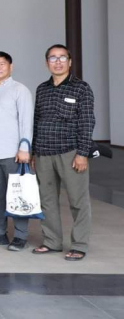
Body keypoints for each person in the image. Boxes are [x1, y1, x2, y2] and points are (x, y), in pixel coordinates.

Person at [31, 44, 95, 261]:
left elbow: (87, 122)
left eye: (62, 58)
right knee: (47, 200)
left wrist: (82, 153)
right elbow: (36, 121)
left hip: (71, 153)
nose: (57, 62)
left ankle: (79, 244)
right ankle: (52, 241)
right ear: (46, 63)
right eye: (52, 58)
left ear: (69, 61)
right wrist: (34, 151)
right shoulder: (42, 89)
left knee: (78, 201)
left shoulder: (81, 88)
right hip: (44, 153)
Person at [0, 51, 33, 252]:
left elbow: (26, 121)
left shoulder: (20, 90)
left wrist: (24, 148)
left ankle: (20, 236)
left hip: (13, 154)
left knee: (18, 195)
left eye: (2, 63)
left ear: (11, 67)